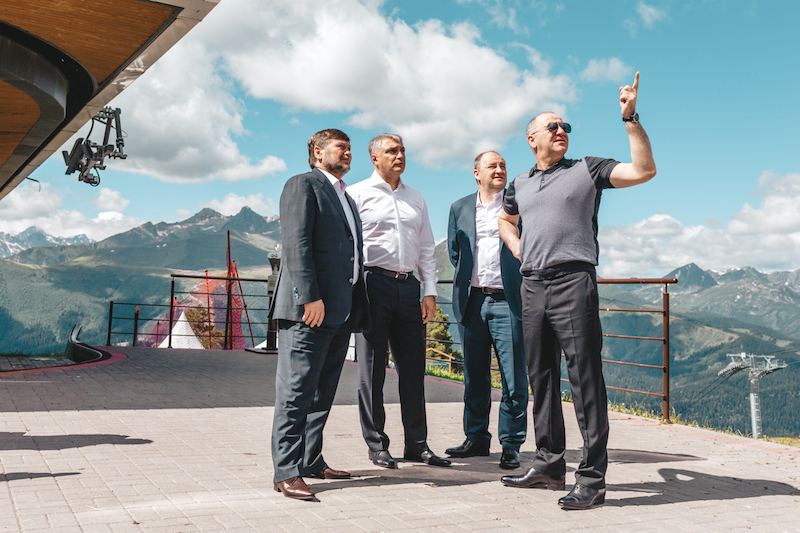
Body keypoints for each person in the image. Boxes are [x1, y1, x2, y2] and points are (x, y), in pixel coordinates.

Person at [498, 72, 656, 510]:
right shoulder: (520, 183)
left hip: (573, 282)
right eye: (552, 126)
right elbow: (505, 219)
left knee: (585, 380)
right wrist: (518, 247)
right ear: (532, 139)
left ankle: (592, 479)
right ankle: (549, 465)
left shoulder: (587, 169)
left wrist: (631, 119)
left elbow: (644, 171)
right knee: (541, 378)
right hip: (533, 284)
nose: (561, 130)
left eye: (565, 126)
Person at [270, 129, 370, 501]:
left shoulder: (347, 198)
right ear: (317, 151)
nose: (348, 153)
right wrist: (309, 297)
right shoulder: (303, 185)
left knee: (321, 392)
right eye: (341, 147)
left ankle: (311, 460)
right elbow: (296, 244)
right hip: (308, 311)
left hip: (340, 310)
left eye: (350, 148)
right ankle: (286, 471)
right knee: (296, 392)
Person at [348, 133, 451, 469]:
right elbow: (348, 244)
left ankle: (417, 445)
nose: (400, 155)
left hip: (408, 286)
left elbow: (426, 246)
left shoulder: (416, 197)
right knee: (371, 370)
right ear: (375, 158)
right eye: (392, 151)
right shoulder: (356, 194)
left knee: (413, 370)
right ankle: (376, 445)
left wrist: (429, 290)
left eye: (403, 150)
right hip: (371, 284)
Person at [445, 151, 528, 469]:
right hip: (472, 302)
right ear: (476, 173)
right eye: (492, 165)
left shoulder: (519, 205)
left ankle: (511, 444)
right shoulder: (459, 207)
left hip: (509, 301)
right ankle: (476, 438)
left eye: (503, 165)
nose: (499, 169)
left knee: (513, 379)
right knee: (474, 377)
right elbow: (455, 252)